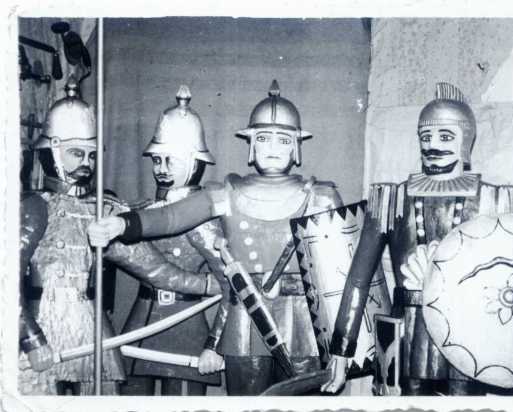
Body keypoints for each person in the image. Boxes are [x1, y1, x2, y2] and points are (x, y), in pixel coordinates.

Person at [88, 80, 343, 395]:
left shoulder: (321, 197)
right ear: (251, 144)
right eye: (264, 138)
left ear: (296, 146)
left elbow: (338, 279)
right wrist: (122, 225)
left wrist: (343, 348)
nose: (273, 148)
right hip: (246, 321)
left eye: (283, 140)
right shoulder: (225, 194)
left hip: (305, 323)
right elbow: (171, 217)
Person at [19, 77, 220, 395]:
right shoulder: (34, 206)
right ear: (53, 150)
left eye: (91, 155)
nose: (86, 163)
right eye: (76, 153)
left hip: (90, 325)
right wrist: (30, 338)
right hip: (42, 325)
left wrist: (208, 285)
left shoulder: (103, 209)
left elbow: (154, 269)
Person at [322, 82, 513, 396]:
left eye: (445, 136)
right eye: (425, 136)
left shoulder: (496, 201)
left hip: (468, 329)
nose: (432, 145)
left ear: (466, 139)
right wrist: (341, 349)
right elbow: (358, 279)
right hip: (405, 334)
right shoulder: (389, 198)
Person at [115, 85, 223, 396]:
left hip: (184, 328)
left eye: (170, 161)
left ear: (193, 162)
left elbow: (232, 288)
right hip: (140, 324)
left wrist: (214, 344)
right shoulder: (140, 212)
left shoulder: (203, 219)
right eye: (157, 160)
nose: (161, 170)